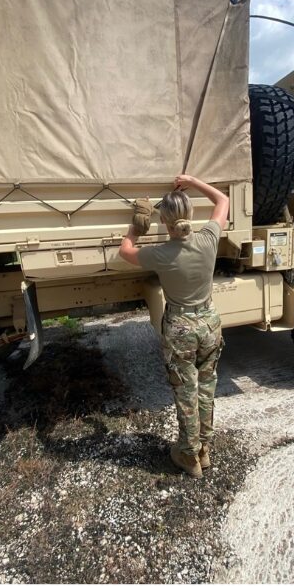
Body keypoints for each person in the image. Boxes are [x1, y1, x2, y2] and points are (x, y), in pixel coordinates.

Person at [119, 174, 230, 478]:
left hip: (180, 328)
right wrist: (192, 181)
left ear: (164, 222)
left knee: (186, 393)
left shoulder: (160, 254)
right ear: (190, 214)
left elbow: (124, 251)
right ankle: (204, 450)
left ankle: (188, 455)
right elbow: (222, 200)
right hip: (210, 324)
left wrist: (136, 226)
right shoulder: (208, 239)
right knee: (207, 388)